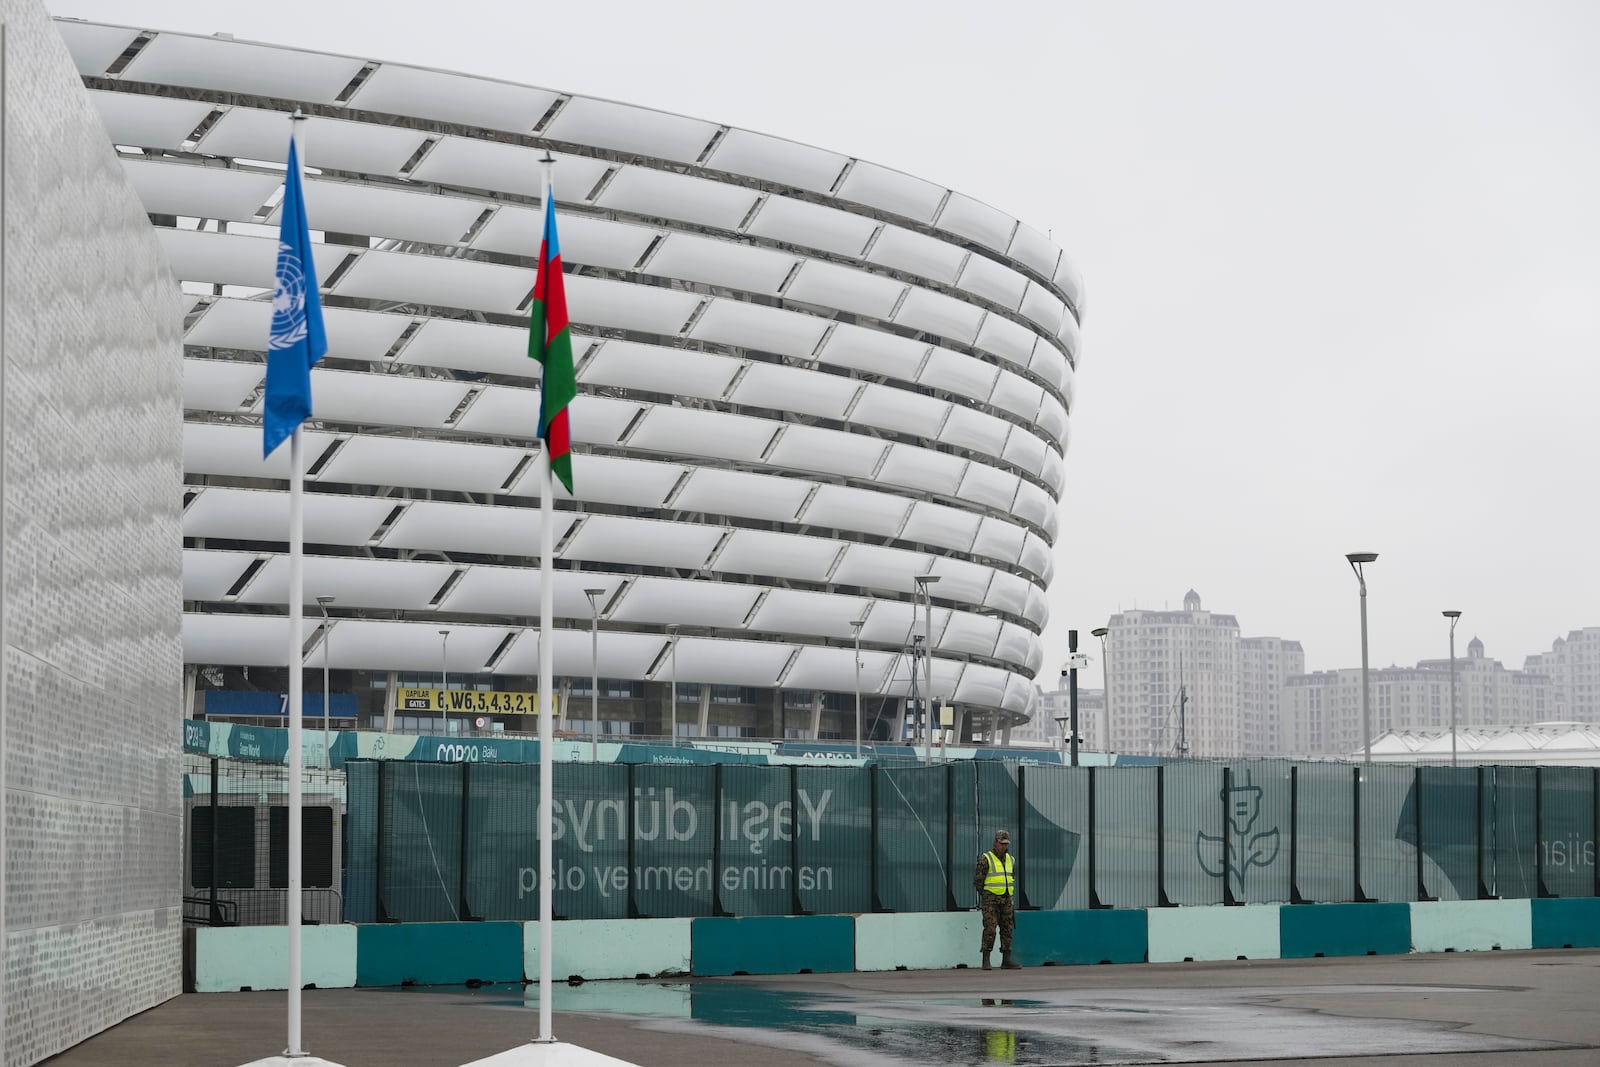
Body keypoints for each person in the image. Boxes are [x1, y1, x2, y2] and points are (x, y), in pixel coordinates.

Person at [974, 829, 1020, 969]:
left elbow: (1012, 878)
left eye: (1006, 844)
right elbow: (978, 881)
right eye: (1001, 843)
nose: (1004, 846)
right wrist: (987, 895)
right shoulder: (986, 858)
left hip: (1006, 899)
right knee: (990, 929)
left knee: (1007, 928)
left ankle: (1006, 959)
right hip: (991, 900)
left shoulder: (1011, 859)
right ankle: (986, 959)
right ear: (995, 843)